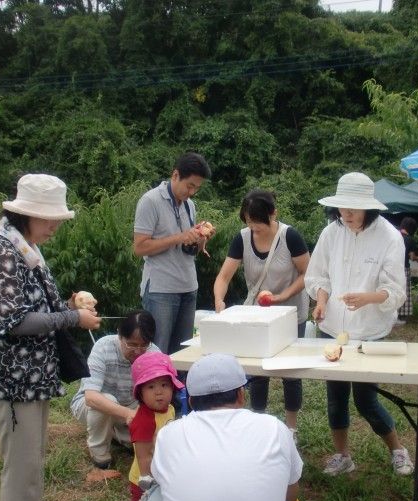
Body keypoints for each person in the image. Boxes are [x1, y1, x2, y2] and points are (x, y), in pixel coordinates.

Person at [0, 174, 101, 501]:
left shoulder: (23, 248)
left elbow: (32, 310)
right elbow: (14, 321)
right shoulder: (2, 254)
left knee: (31, 462)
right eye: (50, 218)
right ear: (26, 214)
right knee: (22, 467)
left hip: (32, 377)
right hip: (13, 381)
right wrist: (72, 317)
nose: (55, 226)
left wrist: (67, 306)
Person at [137, 353, 306, 501]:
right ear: (241, 395)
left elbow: (164, 484)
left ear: (192, 402)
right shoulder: (274, 428)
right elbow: (290, 498)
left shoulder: (170, 435)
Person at [305, 172, 414, 477]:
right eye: (343, 208)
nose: (348, 214)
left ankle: (398, 449)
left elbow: (395, 290)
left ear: (370, 208)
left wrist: (368, 297)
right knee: (335, 398)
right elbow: (319, 276)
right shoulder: (331, 232)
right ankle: (342, 455)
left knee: (366, 399)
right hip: (334, 327)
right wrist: (322, 300)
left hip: (370, 330)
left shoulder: (389, 237)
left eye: (354, 208)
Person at [213, 189, 311, 433]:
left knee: (290, 372)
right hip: (259, 313)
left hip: (290, 313)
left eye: (259, 225)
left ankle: (291, 429)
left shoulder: (291, 236)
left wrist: (283, 296)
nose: (254, 230)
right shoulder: (242, 238)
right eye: (250, 224)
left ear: (273, 214)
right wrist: (218, 300)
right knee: (257, 370)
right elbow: (224, 276)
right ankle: (258, 422)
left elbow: (307, 273)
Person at [133, 152, 212, 355]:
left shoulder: (189, 205)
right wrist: (179, 237)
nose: (192, 192)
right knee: (158, 353)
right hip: (161, 290)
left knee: (182, 354)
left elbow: (186, 246)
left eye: (197, 188)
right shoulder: (150, 201)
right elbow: (139, 247)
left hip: (188, 286)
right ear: (175, 175)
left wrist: (200, 239)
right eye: (190, 185)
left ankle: (180, 389)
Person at [69, 310, 159, 469]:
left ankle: (120, 436)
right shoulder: (103, 347)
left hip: (131, 405)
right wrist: (129, 414)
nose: (138, 351)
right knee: (106, 401)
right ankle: (99, 453)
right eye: (131, 344)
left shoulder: (153, 353)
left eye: (143, 345)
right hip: (91, 405)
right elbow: (91, 397)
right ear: (120, 335)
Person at [125, 352, 181, 501]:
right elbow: (143, 455)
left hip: (163, 474)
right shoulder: (144, 419)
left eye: (165, 385)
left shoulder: (170, 409)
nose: (159, 392)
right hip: (144, 479)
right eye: (151, 387)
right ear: (140, 391)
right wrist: (148, 482)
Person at [398, 216, 418, 323]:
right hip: (404, 268)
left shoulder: (394, 235)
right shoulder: (409, 240)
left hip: (391, 267)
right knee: (403, 291)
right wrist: (417, 258)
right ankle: (401, 317)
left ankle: (390, 315)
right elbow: (412, 257)